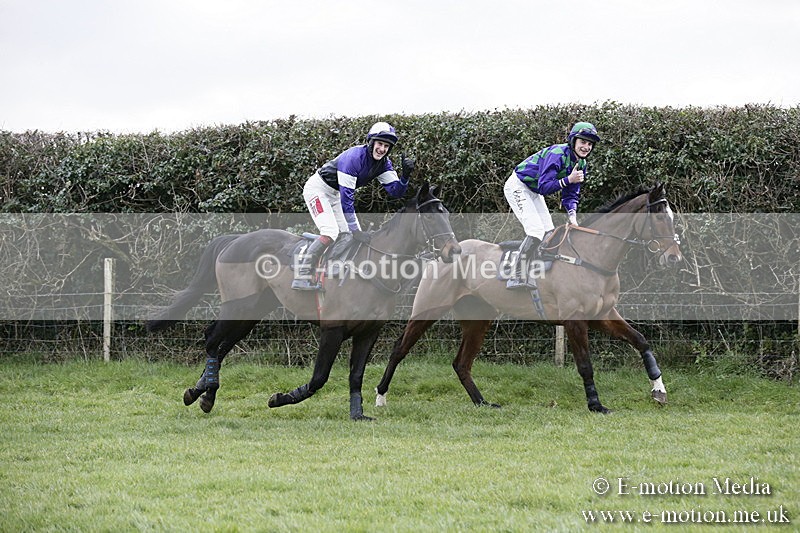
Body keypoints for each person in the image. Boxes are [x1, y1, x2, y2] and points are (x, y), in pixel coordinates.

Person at [292, 121, 415, 290]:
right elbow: (347, 200)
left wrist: (405, 177)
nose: (382, 149)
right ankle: (302, 276)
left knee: (349, 235)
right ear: (371, 142)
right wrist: (356, 230)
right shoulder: (354, 158)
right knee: (331, 232)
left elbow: (396, 192)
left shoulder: (383, 164)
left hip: (335, 193)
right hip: (318, 190)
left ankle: (330, 270)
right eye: (380, 143)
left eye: (386, 146)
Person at [503, 121, 601, 290]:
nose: (586, 147)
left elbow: (571, 194)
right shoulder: (557, 154)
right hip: (518, 186)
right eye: (583, 142)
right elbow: (544, 187)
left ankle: (536, 269)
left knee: (548, 232)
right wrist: (568, 179)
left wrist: (572, 216)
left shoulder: (581, 164)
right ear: (573, 141)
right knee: (535, 231)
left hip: (533, 191)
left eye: (590, 144)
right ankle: (516, 275)